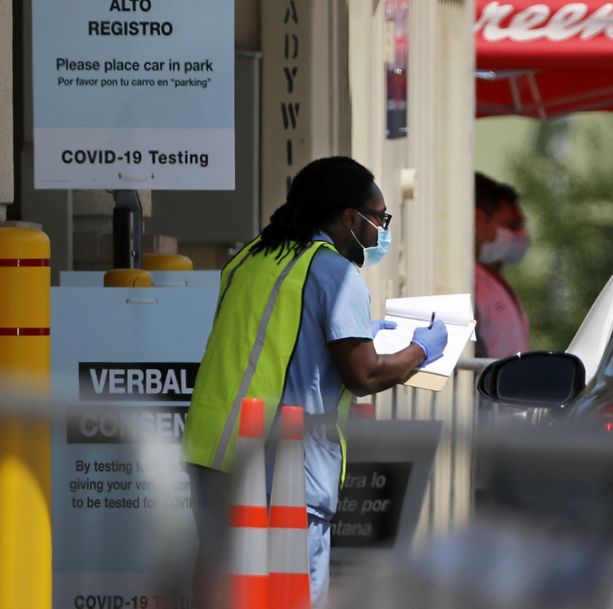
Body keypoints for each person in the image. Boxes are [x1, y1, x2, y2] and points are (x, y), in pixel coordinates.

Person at [183, 156, 449, 608]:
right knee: (288, 597)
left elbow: (274, 341)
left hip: (213, 457)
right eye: (380, 218)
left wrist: (360, 332)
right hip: (282, 472)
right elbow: (363, 373)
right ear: (350, 217)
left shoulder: (248, 258)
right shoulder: (336, 273)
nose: (381, 232)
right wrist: (423, 349)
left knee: (222, 595)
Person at [473, 172, 532, 358]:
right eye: (511, 225)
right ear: (479, 220)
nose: (521, 234)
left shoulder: (495, 283)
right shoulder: (469, 284)